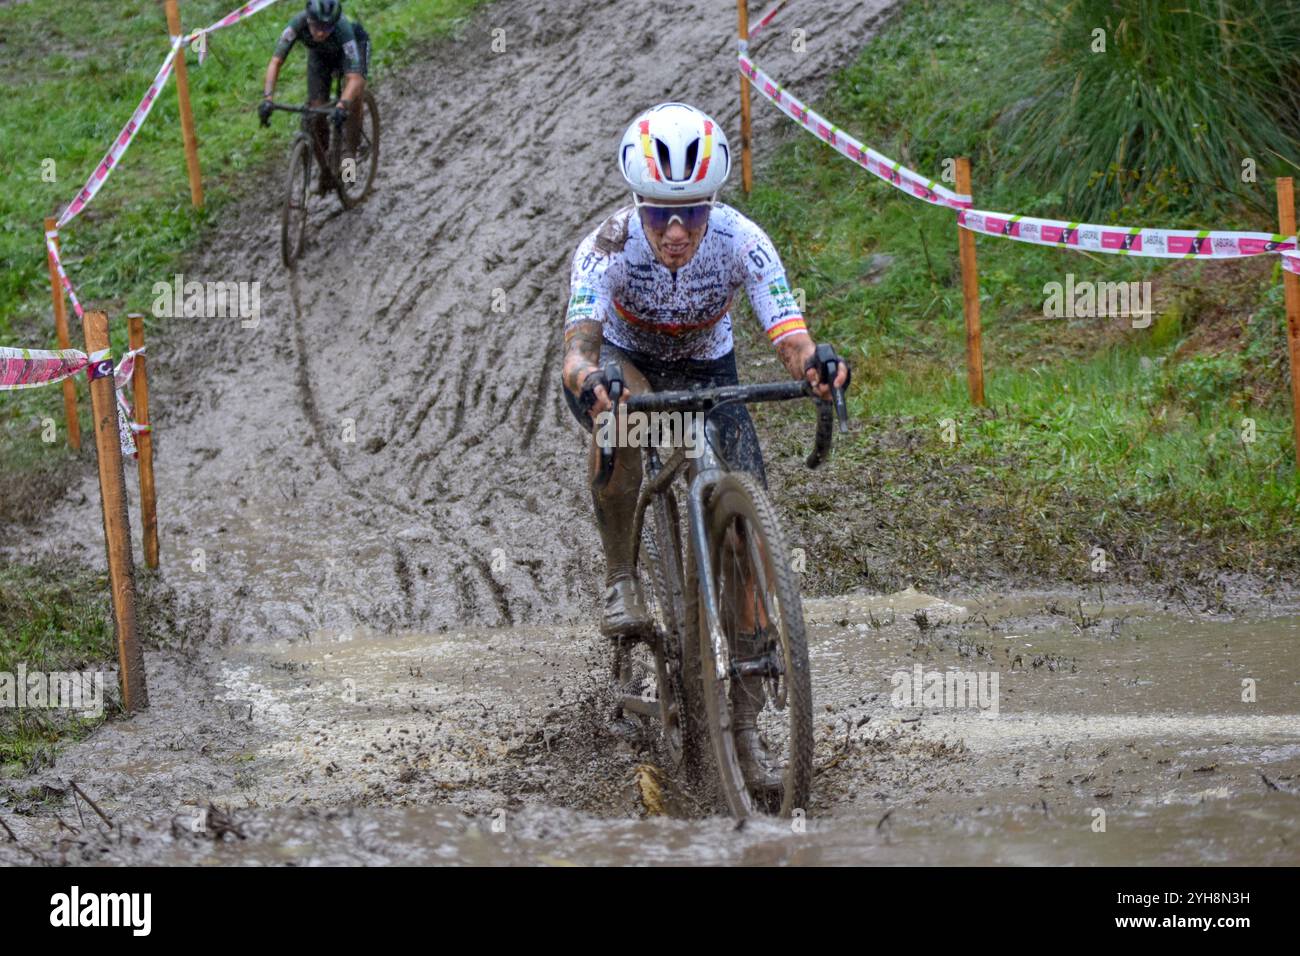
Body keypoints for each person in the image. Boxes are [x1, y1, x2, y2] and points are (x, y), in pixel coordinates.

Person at [560, 102, 849, 778]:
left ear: (713, 205)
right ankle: (624, 577)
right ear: (639, 205)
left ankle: (747, 727)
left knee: (748, 542)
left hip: (708, 366)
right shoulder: (606, 244)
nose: (677, 229)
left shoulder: (742, 239)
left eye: (692, 211)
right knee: (623, 422)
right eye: (661, 212)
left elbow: (789, 331)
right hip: (628, 364)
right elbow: (577, 349)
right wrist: (589, 379)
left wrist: (813, 365)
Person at [258, 0, 369, 193]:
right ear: (308, 19)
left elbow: (355, 79)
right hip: (321, 57)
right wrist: (267, 98)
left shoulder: (344, 29)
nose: (320, 32)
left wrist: (343, 106)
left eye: (327, 28)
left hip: (352, 47)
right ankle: (327, 165)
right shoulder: (297, 24)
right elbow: (275, 62)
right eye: (317, 26)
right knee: (316, 111)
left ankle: (350, 156)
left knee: (352, 99)